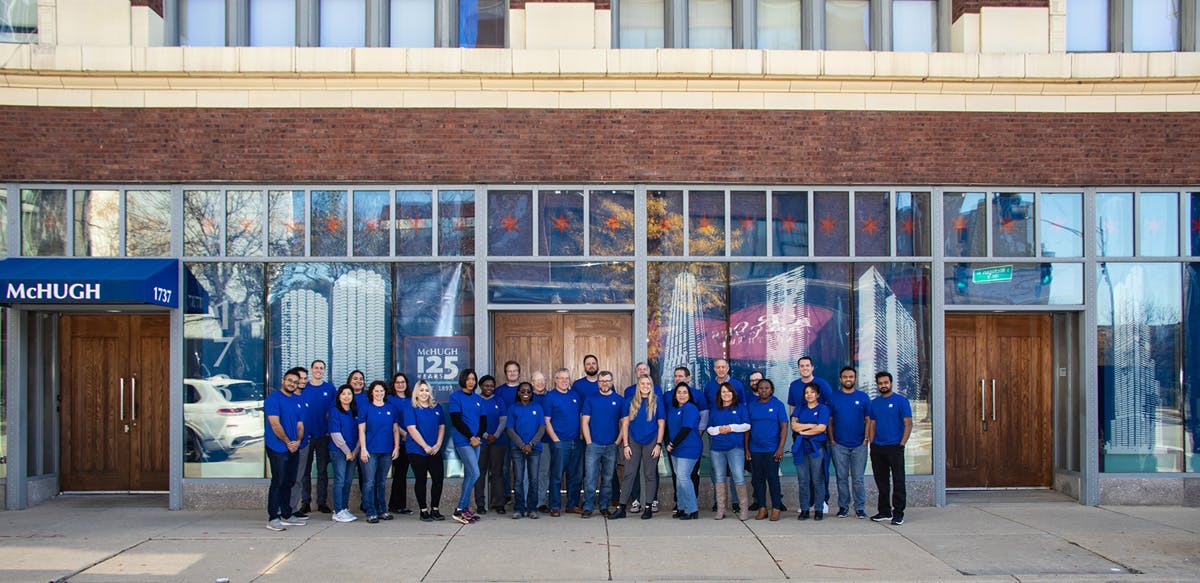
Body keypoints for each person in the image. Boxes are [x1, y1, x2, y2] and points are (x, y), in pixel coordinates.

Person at [787, 356, 832, 514]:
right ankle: (806, 505)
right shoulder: (794, 387)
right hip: (800, 441)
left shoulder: (823, 385)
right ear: (798, 368)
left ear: (812, 367)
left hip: (817, 443)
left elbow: (822, 426)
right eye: (801, 366)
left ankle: (821, 503)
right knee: (804, 477)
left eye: (807, 365)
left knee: (818, 475)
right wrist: (805, 428)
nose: (804, 368)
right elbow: (793, 414)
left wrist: (807, 429)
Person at [264, 368, 307, 531]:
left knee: (289, 481)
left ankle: (287, 514)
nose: (292, 384)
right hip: (277, 447)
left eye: (295, 382)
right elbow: (275, 424)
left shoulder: (296, 401)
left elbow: (300, 425)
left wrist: (297, 441)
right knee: (278, 481)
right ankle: (273, 517)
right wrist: (288, 442)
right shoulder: (273, 399)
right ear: (283, 381)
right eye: (289, 380)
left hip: (293, 447)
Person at [867, 371, 912, 526]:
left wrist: (902, 444)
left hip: (895, 447)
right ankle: (884, 511)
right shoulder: (874, 403)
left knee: (899, 480)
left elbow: (908, 423)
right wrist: (872, 443)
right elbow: (872, 424)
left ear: (891, 383)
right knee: (881, 481)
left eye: (886, 382)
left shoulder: (901, 401)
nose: (883, 385)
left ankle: (898, 513)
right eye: (880, 383)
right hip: (878, 447)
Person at [617, 375, 664, 520]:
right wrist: (625, 445)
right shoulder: (629, 402)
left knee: (649, 474)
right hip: (633, 442)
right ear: (638, 385)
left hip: (651, 441)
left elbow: (661, 424)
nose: (645, 386)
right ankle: (622, 507)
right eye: (642, 383)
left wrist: (658, 445)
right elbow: (625, 424)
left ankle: (648, 507)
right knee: (629, 473)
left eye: (648, 383)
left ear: (651, 386)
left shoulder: (657, 401)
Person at [580, 371, 625, 518]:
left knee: (607, 479)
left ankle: (604, 506)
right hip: (594, 446)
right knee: (590, 478)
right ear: (598, 382)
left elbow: (625, 423)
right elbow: (585, 421)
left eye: (607, 380)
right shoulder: (590, 399)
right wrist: (589, 442)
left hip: (611, 446)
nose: (604, 383)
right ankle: (588, 506)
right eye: (601, 381)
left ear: (612, 381)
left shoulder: (619, 400)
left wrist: (618, 441)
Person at [703, 359, 746, 513]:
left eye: (723, 367)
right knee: (717, 470)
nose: (721, 370)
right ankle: (718, 503)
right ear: (714, 369)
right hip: (716, 431)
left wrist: (733, 427)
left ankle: (736, 502)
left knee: (736, 470)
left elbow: (742, 407)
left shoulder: (737, 385)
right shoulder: (709, 386)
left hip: (734, 433)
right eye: (718, 367)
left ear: (728, 368)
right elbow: (707, 409)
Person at [828, 366, 870, 519]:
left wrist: (866, 439)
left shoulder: (863, 397)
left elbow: (868, 420)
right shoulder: (834, 397)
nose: (848, 379)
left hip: (859, 444)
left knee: (858, 479)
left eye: (851, 377)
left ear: (855, 379)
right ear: (840, 379)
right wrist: (832, 440)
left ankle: (859, 507)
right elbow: (829, 421)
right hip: (839, 444)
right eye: (845, 377)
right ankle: (843, 507)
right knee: (842, 478)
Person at [358, 380, 401, 524]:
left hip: (387, 450)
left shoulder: (390, 408)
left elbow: (395, 430)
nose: (379, 393)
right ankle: (370, 511)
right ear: (371, 392)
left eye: (381, 391)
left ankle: (382, 509)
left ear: (385, 392)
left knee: (381, 482)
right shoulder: (366, 408)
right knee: (369, 482)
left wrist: (396, 447)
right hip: (370, 451)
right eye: (376, 391)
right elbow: (361, 430)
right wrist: (363, 449)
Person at [707, 381, 750, 520]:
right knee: (719, 478)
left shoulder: (741, 408)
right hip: (717, 449)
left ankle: (743, 510)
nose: (726, 394)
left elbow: (746, 426)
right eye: (723, 392)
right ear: (720, 394)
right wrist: (719, 429)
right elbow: (709, 428)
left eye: (728, 391)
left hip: (735, 448)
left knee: (738, 477)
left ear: (733, 393)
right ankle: (721, 510)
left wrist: (731, 427)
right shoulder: (715, 410)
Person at [664, 366, 705, 511]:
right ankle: (681, 507)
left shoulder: (691, 408)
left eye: (684, 392)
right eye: (679, 392)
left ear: (689, 394)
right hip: (675, 449)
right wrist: (671, 443)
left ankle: (692, 508)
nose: (681, 395)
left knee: (683, 477)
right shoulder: (674, 409)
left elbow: (686, 429)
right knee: (680, 479)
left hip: (688, 448)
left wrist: (672, 444)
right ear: (675, 395)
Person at [544, 367, 584, 516]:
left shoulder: (575, 395)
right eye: (561, 378)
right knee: (556, 475)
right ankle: (555, 506)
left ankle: (572, 505)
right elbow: (546, 420)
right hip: (560, 442)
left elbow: (580, 415)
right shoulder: (550, 397)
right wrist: (556, 439)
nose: (564, 381)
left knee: (575, 475)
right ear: (555, 380)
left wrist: (580, 434)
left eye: (567, 378)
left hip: (576, 441)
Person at [405, 380, 447, 522]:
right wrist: (425, 446)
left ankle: (435, 509)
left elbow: (442, 426)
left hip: (434, 449)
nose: (424, 393)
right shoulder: (411, 407)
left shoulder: (436, 407)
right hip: (417, 450)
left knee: (438, 479)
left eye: (427, 390)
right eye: (421, 390)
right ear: (416, 392)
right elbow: (411, 429)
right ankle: (423, 511)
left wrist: (438, 444)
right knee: (421, 480)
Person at [448, 368, 486, 524]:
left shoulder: (478, 398)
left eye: (473, 379)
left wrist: (477, 437)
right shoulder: (455, 397)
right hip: (463, 441)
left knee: (471, 474)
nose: (471, 382)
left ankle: (464, 509)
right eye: (468, 379)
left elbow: (483, 420)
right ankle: (459, 509)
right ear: (463, 379)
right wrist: (470, 436)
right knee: (475, 473)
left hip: (476, 441)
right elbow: (456, 420)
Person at [747, 378, 787, 521]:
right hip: (755, 449)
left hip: (772, 449)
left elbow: (784, 427)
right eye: (761, 388)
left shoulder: (778, 405)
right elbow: (747, 430)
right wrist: (747, 449)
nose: (764, 390)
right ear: (757, 390)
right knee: (757, 479)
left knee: (772, 478)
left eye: (767, 388)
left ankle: (776, 507)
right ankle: (762, 507)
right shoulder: (752, 405)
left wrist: (781, 448)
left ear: (771, 390)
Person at [506, 381, 545, 519]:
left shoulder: (538, 407)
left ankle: (532, 508)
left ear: (532, 393)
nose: (526, 394)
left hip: (535, 449)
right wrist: (522, 445)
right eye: (523, 391)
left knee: (534, 479)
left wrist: (531, 444)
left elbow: (541, 428)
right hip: (517, 449)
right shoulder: (513, 408)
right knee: (518, 479)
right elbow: (510, 429)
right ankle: (519, 508)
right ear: (518, 393)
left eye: (528, 391)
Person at [792, 382, 830, 521]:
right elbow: (794, 426)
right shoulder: (799, 408)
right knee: (803, 480)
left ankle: (819, 509)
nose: (809, 395)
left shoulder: (823, 409)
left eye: (812, 392)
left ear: (817, 394)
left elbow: (821, 428)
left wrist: (804, 432)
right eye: (807, 392)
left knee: (817, 479)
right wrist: (809, 426)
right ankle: (805, 509)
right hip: (801, 448)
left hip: (816, 448)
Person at [303, 360, 336, 515]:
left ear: (324, 370)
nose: (318, 370)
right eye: (316, 368)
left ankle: (321, 502)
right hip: (306, 436)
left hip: (323, 436)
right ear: (311, 370)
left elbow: (334, 412)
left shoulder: (329, 388)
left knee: (322, 470)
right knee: (305, 470)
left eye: (321, 368)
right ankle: (305, 502)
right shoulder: (304, 388)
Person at [327, 385, 360, 522]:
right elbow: (335, 434)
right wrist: (347, 451)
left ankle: (344, 508)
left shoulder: (354, 412)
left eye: (349, 394)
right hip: (339, 451)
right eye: (343, 394)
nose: (347, 396)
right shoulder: (335, 411)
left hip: (353, 452)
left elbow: (360, 433)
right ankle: (338, 510)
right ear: (339, 396)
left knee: (347, 481)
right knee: (340, 481)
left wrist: (355, 451)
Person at [475, 375, 508, 515]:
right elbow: (474, 421)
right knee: (480, 473)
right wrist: (485, 435)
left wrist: (495, 435)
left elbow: (503, 420)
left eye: (491, 386)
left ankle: (499, 503)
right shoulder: (475, 400)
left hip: (498, 442)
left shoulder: (499, 400)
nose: (489, 388)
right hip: (481, 442)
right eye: (486, 385)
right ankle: (480, 504)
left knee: (497, 473)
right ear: (480, 386)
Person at [386, 373, 414, 515]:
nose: (400, 384)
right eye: (397, 382)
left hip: (410, 442)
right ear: (393, 384)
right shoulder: (390, 399)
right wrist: (405, 435)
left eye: (402, 382)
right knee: (399, 474)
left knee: (402, 474)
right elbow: (392, 421)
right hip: (397, 442)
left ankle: (399, 504)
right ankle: (395, 504)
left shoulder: (411, 400)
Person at [288, 367, 313, 518]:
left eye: (305, 378)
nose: (303, 381)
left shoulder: (304, 397)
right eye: (300, 378)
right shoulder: (288, 398)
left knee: (298, 477)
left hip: (304, 444)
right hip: (289, 445)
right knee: (287, 477)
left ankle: (292, 508)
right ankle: (283, 508)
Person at [530, 371, 554, 513]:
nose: (540, 383)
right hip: (530, 441)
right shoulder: (527, 397)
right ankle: (529, 501)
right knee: (529, 472)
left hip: (546, 440)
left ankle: (541, 501)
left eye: (542, 380)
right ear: (532, 382)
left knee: (544, 471)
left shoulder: (550, 397)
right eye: (536, 380)